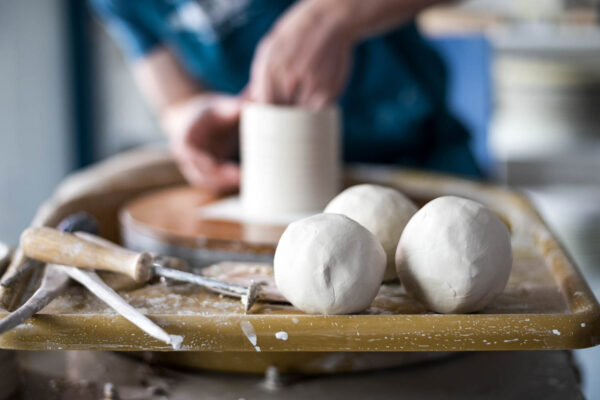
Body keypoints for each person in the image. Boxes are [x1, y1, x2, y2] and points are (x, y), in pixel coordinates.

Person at [90, 0, 481, 193]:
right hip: (272, 185)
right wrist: (191, 119)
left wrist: (332, 16)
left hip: (419, 159)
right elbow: (175, 99)